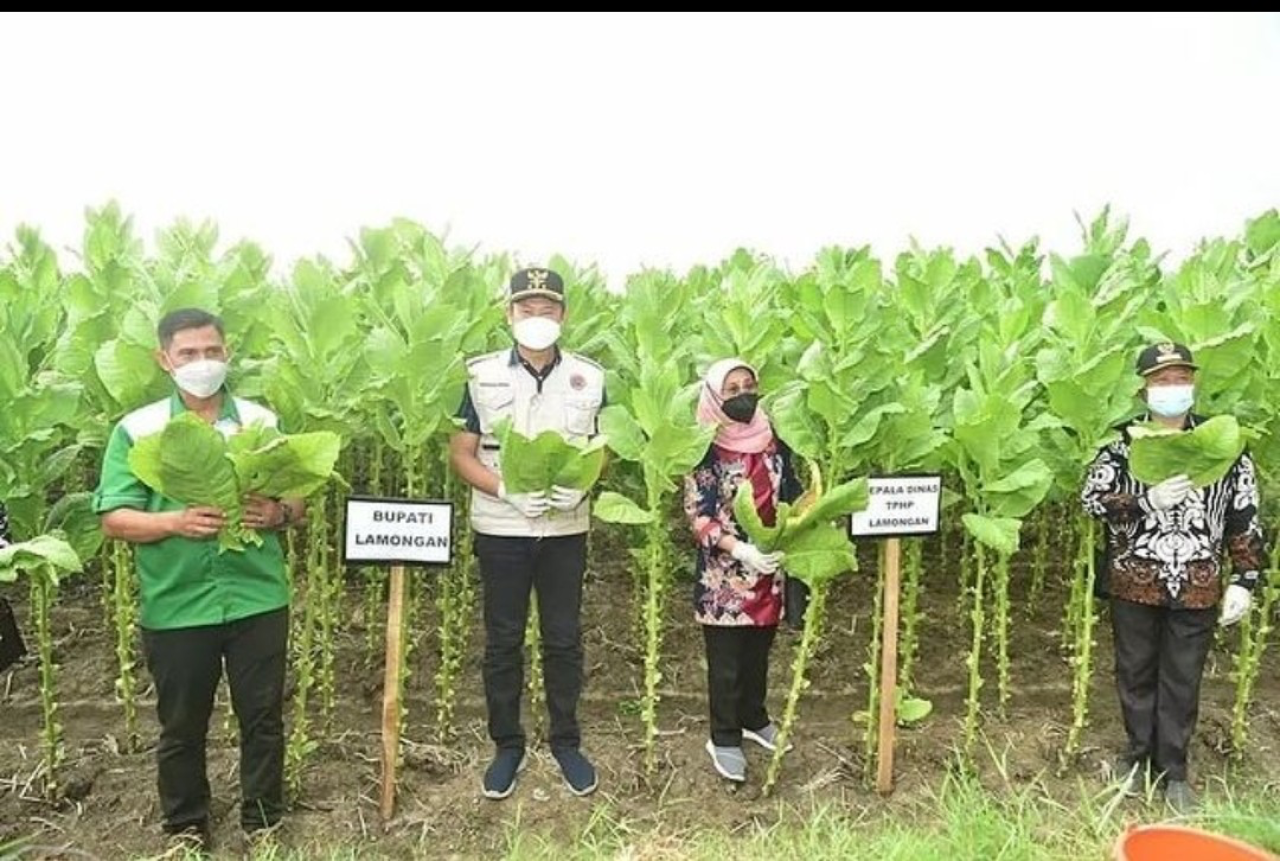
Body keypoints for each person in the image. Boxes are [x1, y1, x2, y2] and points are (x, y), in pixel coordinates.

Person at [93, 308, 305, 851]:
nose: (202, 362)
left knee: (262, 716)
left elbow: (299, 497)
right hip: (178, 602)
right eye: (188, 354)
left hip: (258, 594)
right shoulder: (139, 429)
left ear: (227, 353)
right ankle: (186, 827)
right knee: (182, 724)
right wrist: (174, 521)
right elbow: (114, 517)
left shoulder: (259, 421)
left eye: (212, 351)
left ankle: (263, 821)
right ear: (164, 359)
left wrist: (277, 513)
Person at [1081, 342, 1264, 814]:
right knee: (1135, 672)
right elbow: (1091, 499)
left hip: (1198, 581)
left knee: (1183, 677)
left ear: (1193, 384)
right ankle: (1137, 757)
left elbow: (1244, 514)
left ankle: (1175, 771)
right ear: (1143, 390)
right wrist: (1145, 500)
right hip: (1135, 579)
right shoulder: (1122, 448)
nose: (1172, 388)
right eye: (1161, 381)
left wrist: (1245, 578)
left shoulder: (1224, 449)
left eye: (1180, 379)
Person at [449, 268, 606, 799]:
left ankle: (566, 741)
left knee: (563, 638)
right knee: (503, 639)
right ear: (508, 314)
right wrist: (502, 490)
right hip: (501, 524)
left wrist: (581, 487)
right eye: (526, 309)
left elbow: (603, 448)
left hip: (565, 525)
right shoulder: (480, 374)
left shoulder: (590, 376)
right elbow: (460, 454)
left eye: (547, 308)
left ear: (562, 314)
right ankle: (508, 745)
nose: (536, 318)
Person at [683, 358, 803, 782]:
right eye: (730, 389)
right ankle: (724, 736)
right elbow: (699, 517)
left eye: (747, 386)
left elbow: (792, 489)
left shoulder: (774, 438)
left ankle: (755, 718)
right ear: (716, 397)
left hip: (769, 565)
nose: (741, 396)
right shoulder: (705, 447)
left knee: (759, 652)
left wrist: (791, 534)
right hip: (725, 578)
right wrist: (742, 550)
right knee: (727, 661)